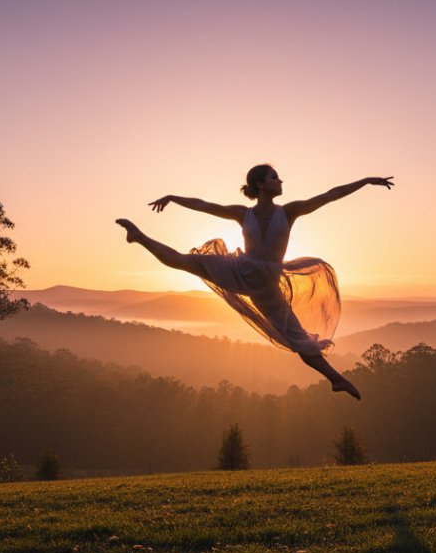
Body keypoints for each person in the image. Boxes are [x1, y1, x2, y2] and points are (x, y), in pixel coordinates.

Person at [116, 164, 393, 400]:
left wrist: (366, 181)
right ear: (260, 185)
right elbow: (206, 206)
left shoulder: (289, 211)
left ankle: (336, 379)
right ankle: (139, 237)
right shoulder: (242, 213)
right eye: (274, 177)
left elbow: (330, 195)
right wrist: (173, 197)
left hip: (266, 287)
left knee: (298, 339)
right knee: (183, 261)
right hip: (239, 271)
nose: (281, 181)